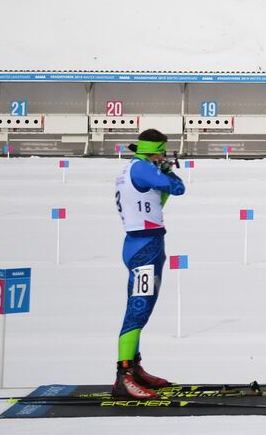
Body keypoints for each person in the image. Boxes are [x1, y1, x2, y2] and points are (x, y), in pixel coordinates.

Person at [112, 128, 186, 398]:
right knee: (137, 311)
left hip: (140, 242)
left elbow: (159, 202)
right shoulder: (142, 169)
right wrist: (166, 171)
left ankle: (134, 367)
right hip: (145, 247)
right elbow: (178, 188)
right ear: (155, 151)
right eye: (163, 152)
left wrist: (161, 170)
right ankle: (123, 376)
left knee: (139, 310)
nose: (164, 156)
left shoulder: (132, 168)